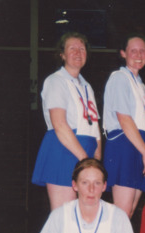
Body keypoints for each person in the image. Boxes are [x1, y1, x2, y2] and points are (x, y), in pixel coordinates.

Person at [32, 32, 101, 210]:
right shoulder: (55, 81)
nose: (78, 52)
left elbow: (95, 127)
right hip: (64, 150)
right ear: (62, 54)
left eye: (82, 48)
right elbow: (60, 125)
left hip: (86, 151)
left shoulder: (87, 86)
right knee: (64, 217)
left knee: (84, 216)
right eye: (72, 48)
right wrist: (85, 160)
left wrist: (97, 161)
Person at [37, 158, 138, 233]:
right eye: (85, 182)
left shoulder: (118, 217)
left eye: (97, 183)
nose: (91, 189)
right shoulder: (59, 215)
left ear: (104, 186)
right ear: (74, 185)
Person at [103, 33, 145, 217]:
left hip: (141, 145)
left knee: (130, 211)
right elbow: (124, 119)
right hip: (125, 143)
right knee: (122, 211)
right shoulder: (119, 78)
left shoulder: (142, 86)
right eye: (133, 51)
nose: (138, 54)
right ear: (123, 53)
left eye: (142, 51)